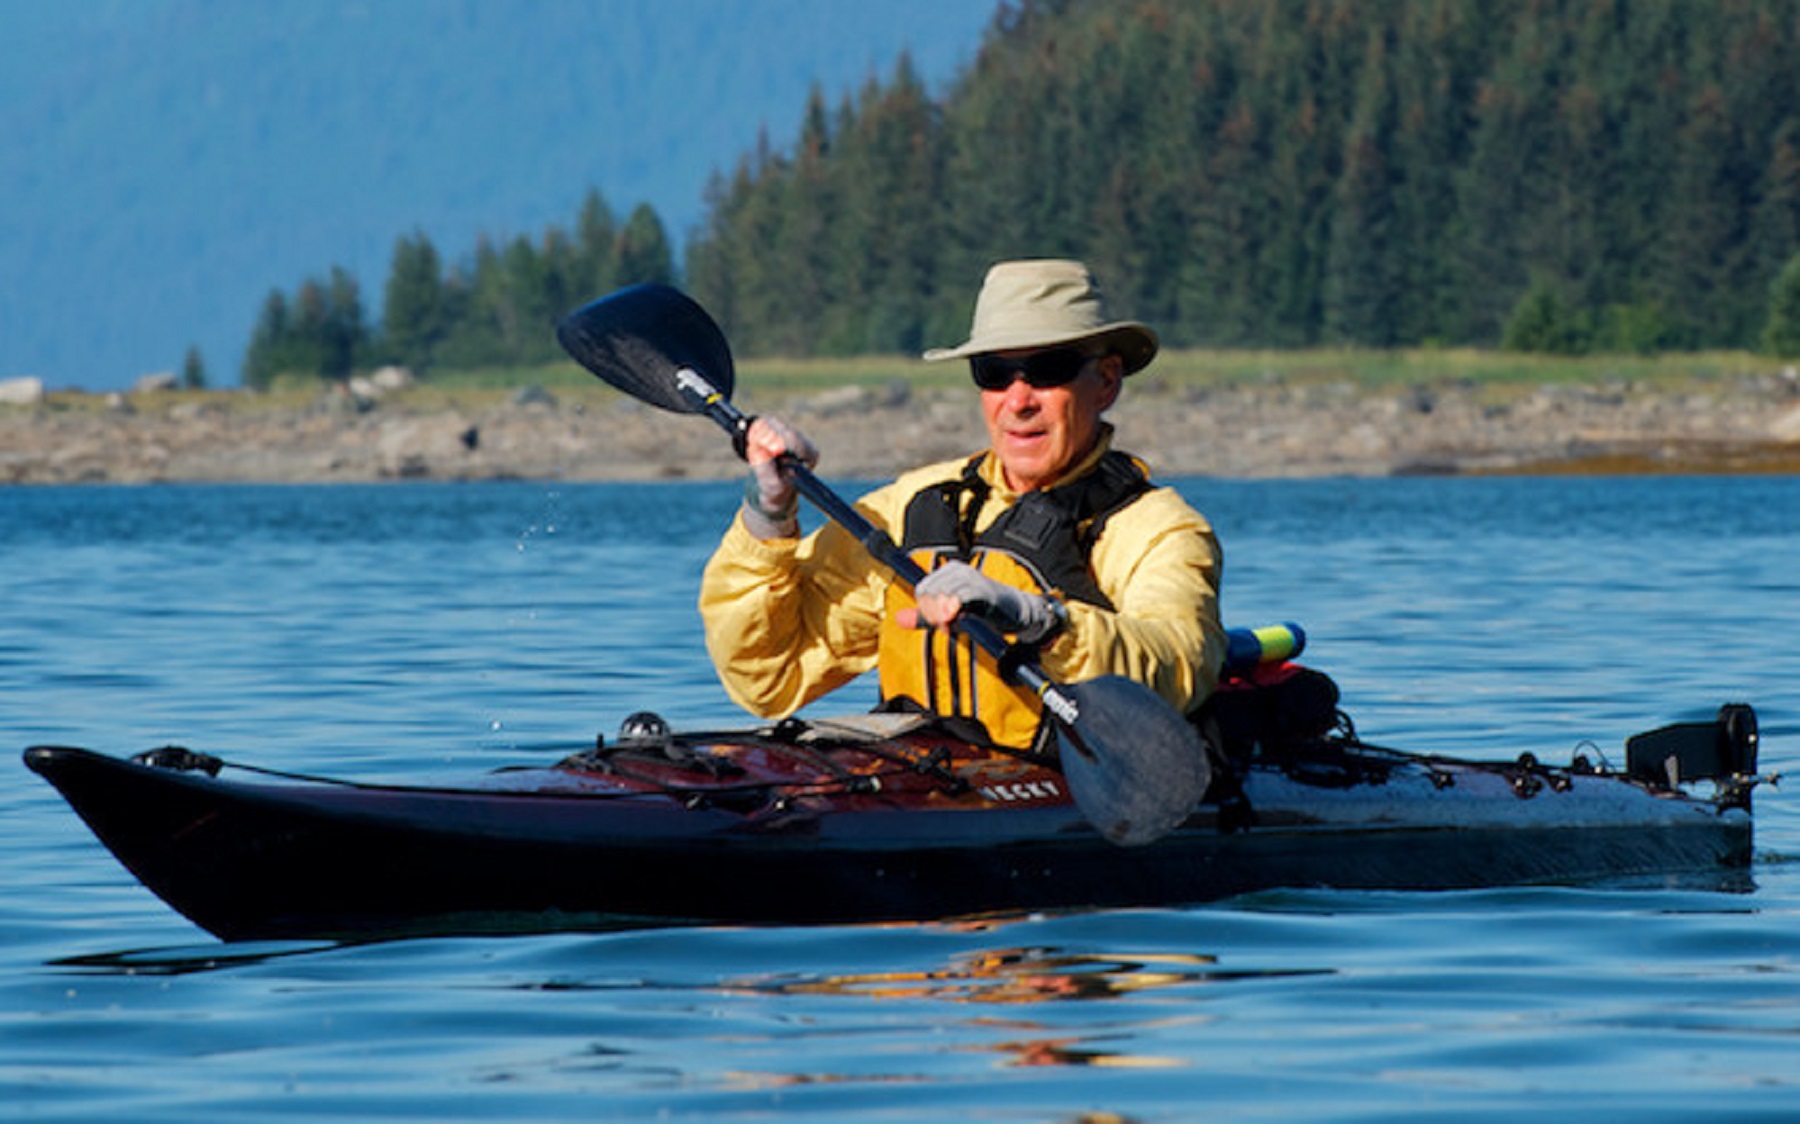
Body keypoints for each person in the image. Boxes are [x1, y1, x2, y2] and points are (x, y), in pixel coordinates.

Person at [699, 259, 1224, 752]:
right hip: (921, 776)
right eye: (994, 372)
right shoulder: (907, 509)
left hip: (1066, 780)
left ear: (1106, 381)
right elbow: (765, 676)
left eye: (1048, 368)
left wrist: (1036, 618)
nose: (1017, 400)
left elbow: (1178, 667)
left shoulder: (1159, 529)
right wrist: (769, 513)